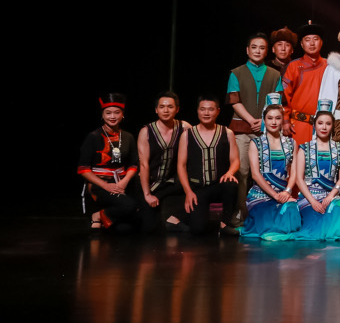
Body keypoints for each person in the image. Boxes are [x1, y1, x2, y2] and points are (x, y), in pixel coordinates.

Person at [228, 33, 282, 225]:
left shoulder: (275, 74)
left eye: (262, 48)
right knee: (242, 171)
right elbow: (234, 101)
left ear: (267, 51)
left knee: (267, 171)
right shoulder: (236, 72)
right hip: (242, 130)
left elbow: (277, 102)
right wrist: (252, 120)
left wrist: (263, 121)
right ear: (247, 50)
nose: (258, 51)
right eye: (254, 47)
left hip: (266, 131)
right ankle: (241, 212)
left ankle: (265, 213)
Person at [283, 101, 340, 240]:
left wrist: (331, 196)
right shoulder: (304, 149)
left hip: (330, 197)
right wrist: (313, 201)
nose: (324, 127)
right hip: (309, 198)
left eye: (328, 123)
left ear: (332, 126)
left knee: (339, 208)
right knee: (316, 220)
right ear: (314, 125)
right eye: (320, 123)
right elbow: (299, 179)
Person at [79, 94, 144, 231]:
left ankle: (105, 217)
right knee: (129, 206)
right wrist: (106, 186)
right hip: (100, 185)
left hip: (122, 184)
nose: (112, 116)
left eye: (117, 112)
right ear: (102, 115)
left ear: (123, 114)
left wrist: (123, 182)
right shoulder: (93, 137)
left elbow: (134, 164)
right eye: (108, 113)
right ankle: (97, 216)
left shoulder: (128, 136)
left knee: (127, 228)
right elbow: (83, 169)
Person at [177, 95, 240, 234]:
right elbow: (181, 165)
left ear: (218, 111)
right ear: (197, 111)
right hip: (198, 188)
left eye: (210, 109)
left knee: (231, 184)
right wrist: (188, 191)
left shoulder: (227, 133)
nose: (206, 113)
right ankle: (179, 219)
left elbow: (235, 160)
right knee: (198, 229)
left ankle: (224, 224)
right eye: (202, 109)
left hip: (218, 185)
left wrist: (230, 173)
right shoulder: (187, 135)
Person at [240, 93, 300, 238]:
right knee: (270, 223)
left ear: (282, 120)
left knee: (291, 214)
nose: (274, 122)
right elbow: (255, 174)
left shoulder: (291, 143)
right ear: (264, 120)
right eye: (270, 118)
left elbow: (294, 173)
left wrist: (287, 192)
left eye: (278, 118)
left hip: (283, 194)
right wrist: (275, 195)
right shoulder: (256, 143)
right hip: (260, 196)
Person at [137, 94, 189, 232]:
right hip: (150, 182)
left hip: (171, 182)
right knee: (149, 228)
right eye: (162, 107)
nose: (166, 110)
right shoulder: (146, 132)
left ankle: (173, 218)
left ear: (177, 109)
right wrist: (147, 194)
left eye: (170, 107)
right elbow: (143, 165)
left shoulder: (184, 127)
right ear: (156, 110)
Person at [279, 22, 329, 144]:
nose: (312, 43)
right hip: (299, 125)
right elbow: (284, 96)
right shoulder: (293, 66)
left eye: (315, 39)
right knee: (298, 156)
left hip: (324, 126)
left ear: (321, 42)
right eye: (307, 40)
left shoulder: (329, 66)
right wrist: (285, 120)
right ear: (302, 44)